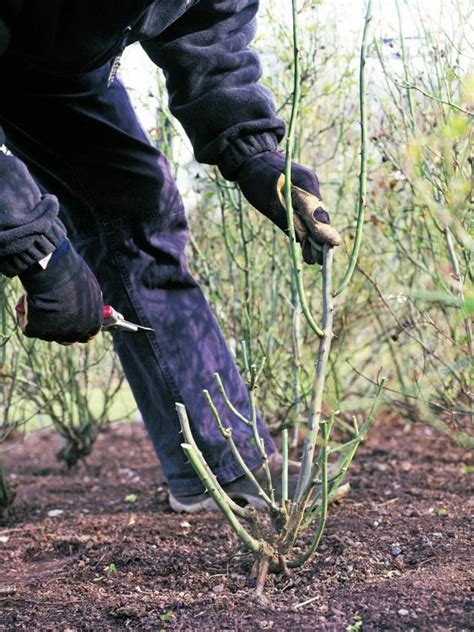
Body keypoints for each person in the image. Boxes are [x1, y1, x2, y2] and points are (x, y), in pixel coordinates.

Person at [0, 1, 339, 512]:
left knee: (138, 211)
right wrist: (35, 249)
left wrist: (255, 154)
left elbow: (208, 29)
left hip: (58, 71)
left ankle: (222, 464)